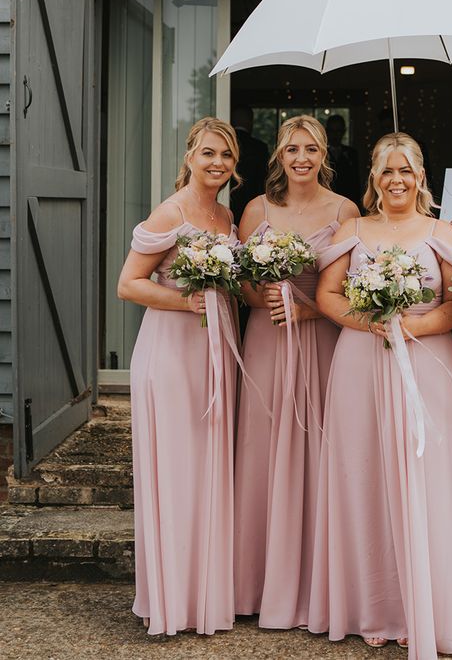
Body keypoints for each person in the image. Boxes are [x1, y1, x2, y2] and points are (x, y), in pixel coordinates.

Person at [309, 133, 452, 659]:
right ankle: (372, 605)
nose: (397, 180)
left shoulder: (441, 231)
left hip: (427, 364)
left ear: (421, 176)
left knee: (426, 477)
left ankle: (418, 605)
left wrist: (416, 327)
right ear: (374, 179)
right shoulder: (353, 229)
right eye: (387, 172)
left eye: (406, 170)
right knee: (363, 475)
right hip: (360, 361)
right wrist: (371, 321)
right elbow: (326, 295)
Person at [117, 117, 242, 636]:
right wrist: (187, 300)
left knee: (206, 473)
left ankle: (204, 598)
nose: (217, 164)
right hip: (169, 354)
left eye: (227, 157)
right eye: (209, 153)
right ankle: (169, 603)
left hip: (213, 353)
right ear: (190, 155)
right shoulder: (170, 213)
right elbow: (129, 284)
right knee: (174, 474)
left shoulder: (226, 215)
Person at [233, 115, 359, 629]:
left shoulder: (346, 210)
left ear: (323, 154)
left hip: (322, 338)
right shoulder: (256, 209)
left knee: (322, 448)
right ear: (278, 157)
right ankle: (258, 585)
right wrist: (258, 295)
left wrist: (307, 308)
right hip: (266, 339)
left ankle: (319, 586)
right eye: (291, 150)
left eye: (310, 149)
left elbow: (353, 285)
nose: (301, 158)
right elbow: (238, 282)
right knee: (263, 452)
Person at [229, 105, 269, 227]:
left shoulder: (228, 143)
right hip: (253, 198)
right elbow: (264, 177)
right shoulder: (259, 147)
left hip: (228, 197)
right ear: (250, 122)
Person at [325, 114, 362, 208]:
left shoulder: (351, 153)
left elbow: (356, 181)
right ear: (327, 131)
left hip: (348, 201)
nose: (335, 134)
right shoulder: (321, 153)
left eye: (338, 131)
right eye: (332, 131)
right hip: (327, 201)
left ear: (344, 131)